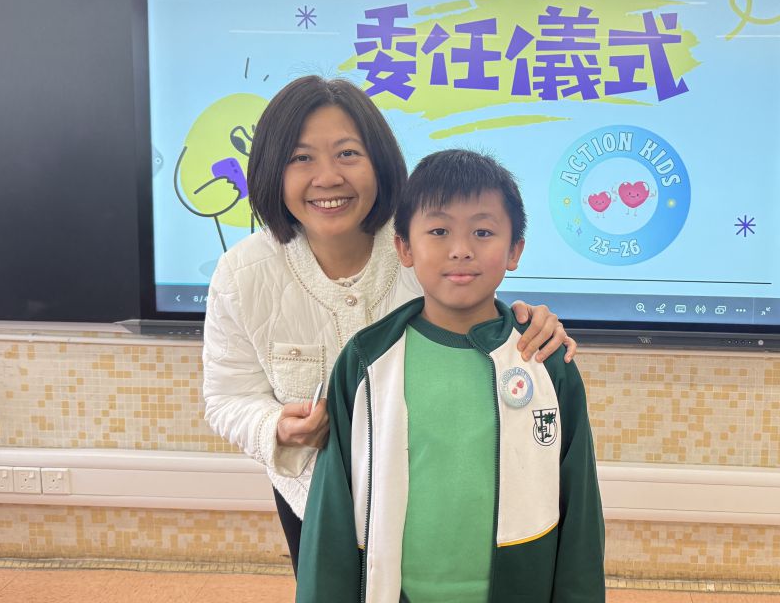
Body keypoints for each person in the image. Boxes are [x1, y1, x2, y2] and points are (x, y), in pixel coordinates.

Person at [201, 77, 575, 581]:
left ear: (380, 162)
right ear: (271, 170)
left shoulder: (422, 244)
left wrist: (524, 325)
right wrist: (276, 426)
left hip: (434, 496)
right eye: (301, 158)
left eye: (348, 154)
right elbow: (227, 396)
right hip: (314, 499)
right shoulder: (241, 274)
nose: (327, 177)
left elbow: (477, 310)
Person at [296, 149, 605, 603]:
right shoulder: (366, 362)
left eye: (483, 232)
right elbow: (332, 516)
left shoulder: (544, 359)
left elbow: (579, 510)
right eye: (439, 231)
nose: (461, 249)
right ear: (404, 247)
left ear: (515, 250)